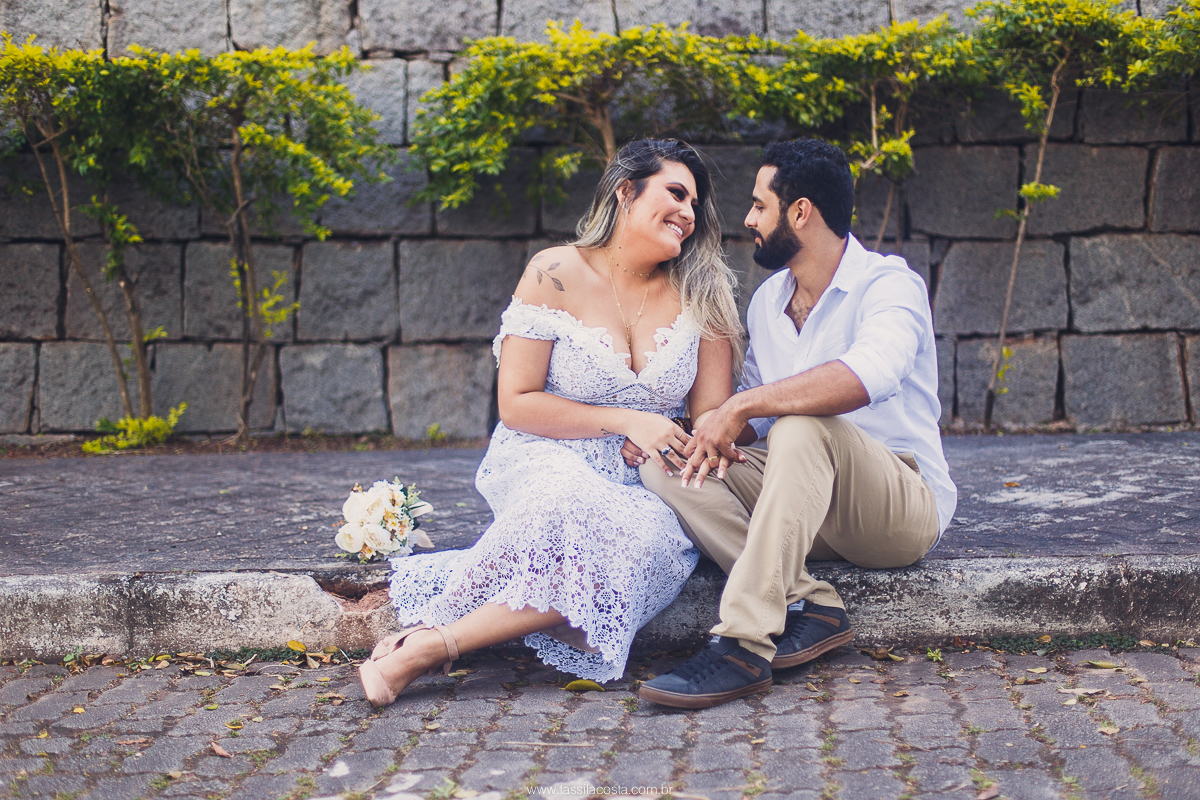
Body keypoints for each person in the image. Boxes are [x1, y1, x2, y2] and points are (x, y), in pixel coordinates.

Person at [358, 139, 743, 707]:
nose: (689, 212)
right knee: (564, 504)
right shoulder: (555, 271)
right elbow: (517, 401)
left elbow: (711, 416)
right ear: (625, 192)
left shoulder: (704, 293)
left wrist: (672, 433)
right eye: (676, 193)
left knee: (627, 551)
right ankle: (431, 642)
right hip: (550, 451)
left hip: (651, 479)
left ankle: (428, 644)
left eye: (696, 203)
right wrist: (627, 420)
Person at [631, 138, 957, 709]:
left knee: (805, 426)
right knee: (670, 466)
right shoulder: (767, 301)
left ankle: (742, 644)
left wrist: (740, 408)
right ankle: (811, 602)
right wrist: (701, 431)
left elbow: (870, 374)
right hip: (805, 499)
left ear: (800, 212)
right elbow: (755, 412)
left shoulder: (889, 284)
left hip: (896, 505)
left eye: (760, 205)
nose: (749, 219)